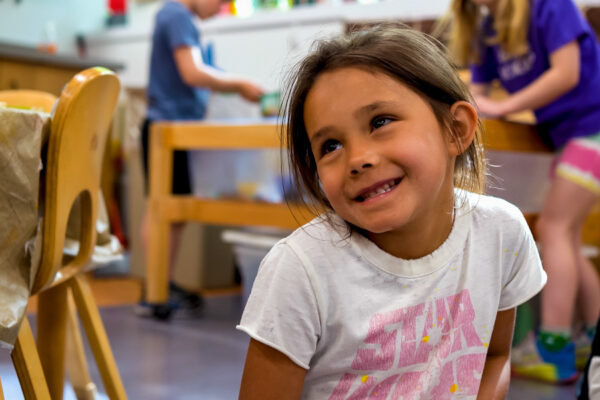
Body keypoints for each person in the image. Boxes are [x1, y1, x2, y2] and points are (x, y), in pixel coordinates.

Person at [236, 25, 547, 399]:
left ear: (456, 129)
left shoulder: (501, 233)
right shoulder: (300, 269)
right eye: (330, 145)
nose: (358, 159)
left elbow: (494, 357)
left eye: (380, 122)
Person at [445, 0, 600, 384]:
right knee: (566, 234)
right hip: (570, 138)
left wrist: (506, 105)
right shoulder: (487, 29)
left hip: (593, 128)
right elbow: (474, 95)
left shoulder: (550, 5)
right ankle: (591, 338)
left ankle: (553, 346)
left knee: (554, 229)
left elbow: (567, 73)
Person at [137, 0, 264, 319]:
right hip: (167, 129)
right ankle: (155, 290)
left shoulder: (181, 20)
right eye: (220, 2)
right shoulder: (176, 15)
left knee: (173, 211)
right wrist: (238, 84)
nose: (221, 8)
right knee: (162, 209)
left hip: (176, 128)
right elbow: (192, 73)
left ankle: (161, 284)